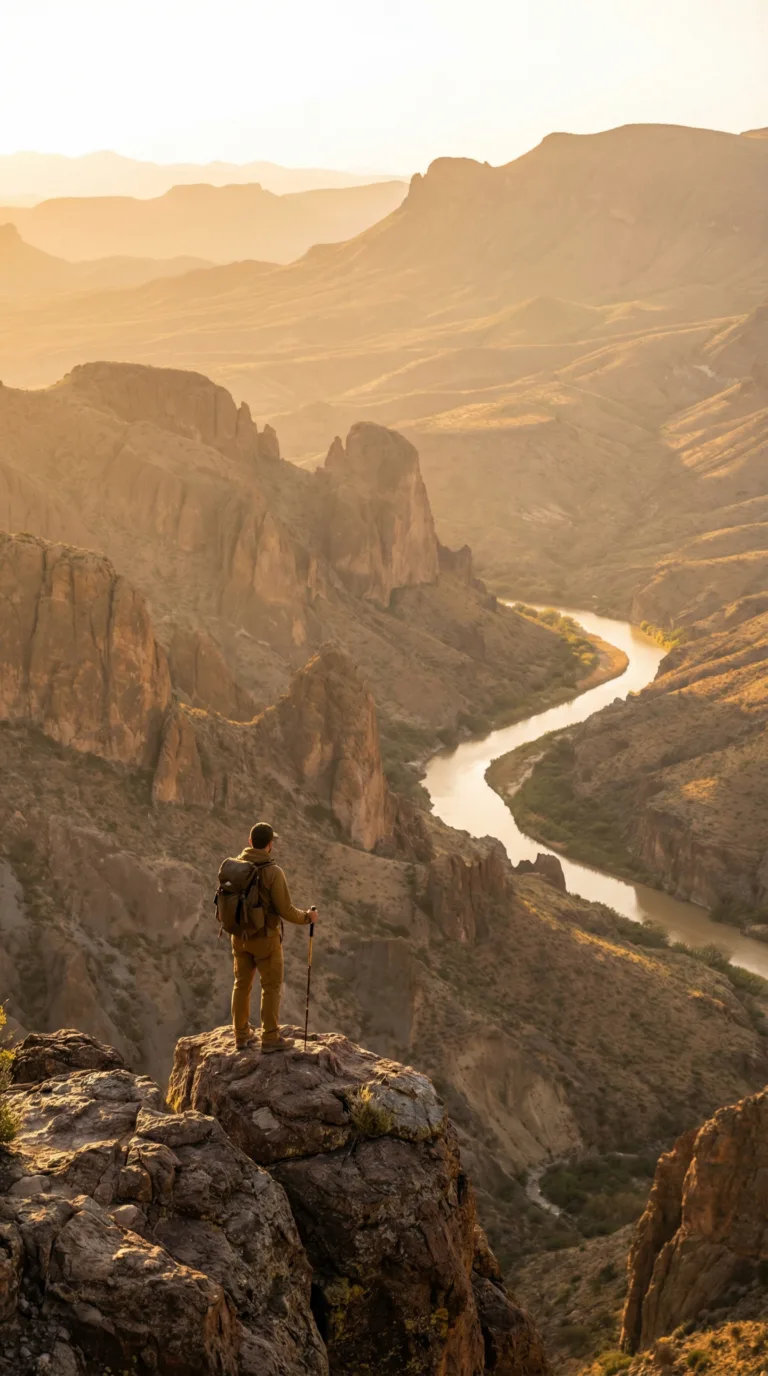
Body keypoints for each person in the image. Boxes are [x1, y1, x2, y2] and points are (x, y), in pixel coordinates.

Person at [229, 821, 318, 1052]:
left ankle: (241, 1035)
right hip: (265, 939)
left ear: (250, 842)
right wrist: (308, 917)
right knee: (270, 987)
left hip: (239, 936)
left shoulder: (235, 866)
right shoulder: (273, 872)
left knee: (241, 985)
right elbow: (286, 910)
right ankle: (269, 1038)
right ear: (270, 845)